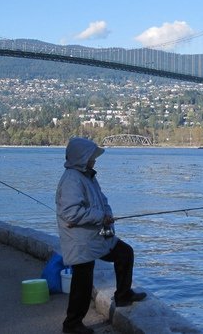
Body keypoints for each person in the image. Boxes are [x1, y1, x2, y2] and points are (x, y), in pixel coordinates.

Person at [56, 137, 146, 334]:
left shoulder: (88, 176)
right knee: (82, 282)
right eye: (91, 157)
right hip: (80, 239)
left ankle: (123, 295)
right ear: (82, 158)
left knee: (124, 253)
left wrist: (107, 213)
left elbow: (101, 199)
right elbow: (71, 213)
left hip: (95, 235)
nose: (94, 160)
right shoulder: (72, 180)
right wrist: (100, 216)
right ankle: (72, 324)